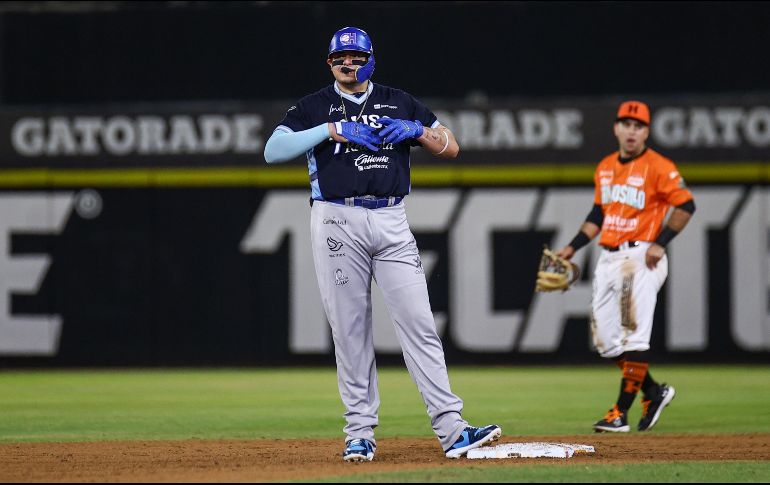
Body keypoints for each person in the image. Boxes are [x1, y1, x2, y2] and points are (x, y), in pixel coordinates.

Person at [263, 26, 501, 461]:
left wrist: (418, 130)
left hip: (391, 217)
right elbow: (274, 151)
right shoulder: (317, 106)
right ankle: (360, 433)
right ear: (329, 64)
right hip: (337, 218)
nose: (347, 64)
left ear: (371, 58)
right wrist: (330, 130)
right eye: (339, 59)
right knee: (350, 328)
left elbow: (451, 146)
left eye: (355, 57)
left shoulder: (398, 100)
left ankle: (453, 430)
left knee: (420, 322)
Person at [556, 101, 696, 433]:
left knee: (633, 335)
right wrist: (572, 248)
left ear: (646, 132)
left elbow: (686, 205)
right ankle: (653, 391)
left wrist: (660, 243)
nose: (632, 130)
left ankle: (619, 412)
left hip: (641, 255)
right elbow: (598, 215)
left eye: (639, 125)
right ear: (616, 128)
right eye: (626, 124)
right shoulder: (605, 166)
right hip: (608, 257)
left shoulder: (658, 166)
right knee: (606, 340)